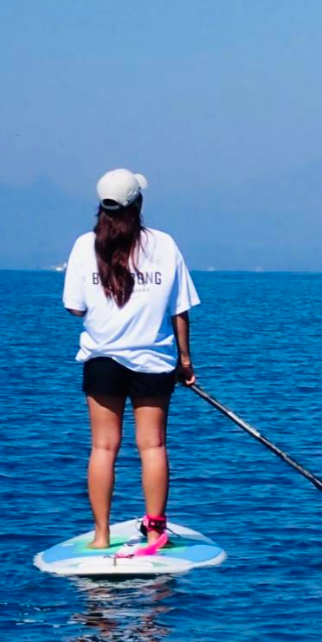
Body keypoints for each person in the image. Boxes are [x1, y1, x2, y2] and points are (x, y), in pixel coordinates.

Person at [62, 169, 199, 552]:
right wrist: (185, 362)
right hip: (155, 362)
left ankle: (101, 535)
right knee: (152, 446)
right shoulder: (165, 245)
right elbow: (180, 311)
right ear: (137, 204)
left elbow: (74, 308)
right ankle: (155, 532)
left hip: (102, 360)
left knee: (103, 448)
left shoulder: (83, 247)